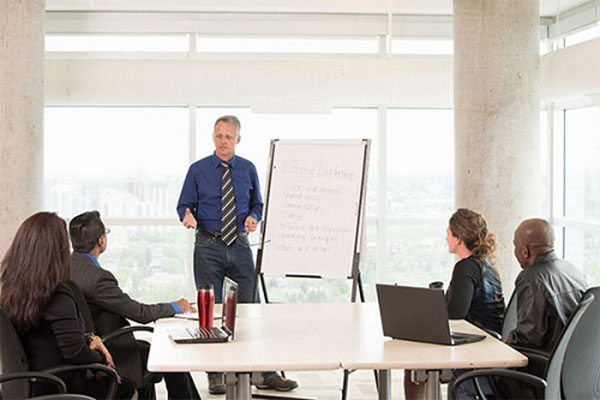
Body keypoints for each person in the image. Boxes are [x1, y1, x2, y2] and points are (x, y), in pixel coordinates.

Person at [177, 115, 298, 394]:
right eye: (218, 136)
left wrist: (254, 217)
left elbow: (258, 204)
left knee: (251, 310)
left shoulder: (247, 168)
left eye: (228, 137)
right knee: (212, 311)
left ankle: (264, 372)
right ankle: (215, 374)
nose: (223, 141)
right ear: (213, 137)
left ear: (238, 140)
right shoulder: (198, 170)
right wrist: (187, 215)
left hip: (240, 245)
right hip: (208, 246)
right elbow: (184, 204)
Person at [68, 210, 201, 400]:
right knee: (171, 357)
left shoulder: (66, 267)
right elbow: (141, 313)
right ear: (101, 241)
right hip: (110, 352)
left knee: (148, 350)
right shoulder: (98, 279)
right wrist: (176, 306)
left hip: (89, 347)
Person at [0, 212, 135, 399]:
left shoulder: (10, 289)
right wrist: (102, 357)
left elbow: (54, 338)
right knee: (126, 387)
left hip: (27, 385)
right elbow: (75, 353)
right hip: (60, 386)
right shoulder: (57, 294)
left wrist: (91, 340)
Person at [405, 208, 505, 400]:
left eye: (448, 234)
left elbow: (455, 313)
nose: (446, 239)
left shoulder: (465, 267)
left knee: (413, 360)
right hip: (489, 340)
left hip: (474, 344)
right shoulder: (485, 265)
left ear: (458, 238)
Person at [493, 218, 588, 399]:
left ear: (524, 251)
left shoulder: (532, 278)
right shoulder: (572, 270)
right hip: (571, 369)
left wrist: (505, 341)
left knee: (477, 378)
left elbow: (529, 336)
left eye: (515, 246)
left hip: (542, 369)